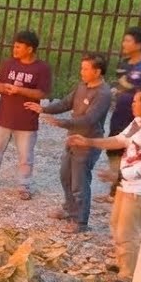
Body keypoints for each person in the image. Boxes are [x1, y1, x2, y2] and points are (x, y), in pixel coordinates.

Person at [67, 88, 141, 282]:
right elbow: (119, 140)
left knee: (128, 231)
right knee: (117, 225)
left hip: (139, 190)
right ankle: (125, 263)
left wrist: (120, 175)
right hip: (126, 185)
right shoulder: (139, 123)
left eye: (136, 102)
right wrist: (89, 142)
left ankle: (129, 275)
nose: (132, 104)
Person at [24, 54, 112, 233]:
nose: (82, 72)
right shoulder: (82, 86)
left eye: (86, 69)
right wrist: (44, 109)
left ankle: (80, 222)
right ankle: (70, 209)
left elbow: (89, 119)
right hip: (72, 139)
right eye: (82, 68)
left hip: (87, 144)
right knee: (65, 176)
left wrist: (62, 123)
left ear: (97, 71)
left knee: (80, 183)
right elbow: (66, 103)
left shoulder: (103, 93)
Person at [0, 30, 52, 200]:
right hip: (4, 117)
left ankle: (24, 185)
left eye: (19, 47)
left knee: (25, 156)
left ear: (30, 49)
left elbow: (42, 93)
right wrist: (3, 88)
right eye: (15, 46)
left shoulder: (42, 69)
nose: (15, 50)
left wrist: (19, 90)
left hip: (26, 121)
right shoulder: (8, 64)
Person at [100, 27, 141, 203]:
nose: (124, 44)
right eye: (124, 40)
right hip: (120, 113)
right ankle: (115, 188)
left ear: (139, 44)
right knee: (114, 148)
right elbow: (122, 86)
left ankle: (123, 190)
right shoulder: (124, 64)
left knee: (134, 151)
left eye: (128, 41)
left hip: (137, 118)